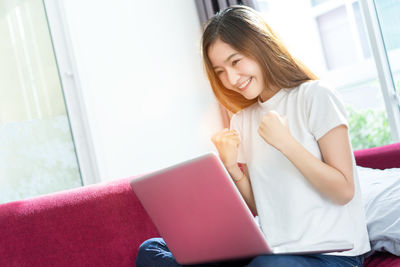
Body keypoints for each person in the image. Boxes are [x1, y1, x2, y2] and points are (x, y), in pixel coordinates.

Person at [136, 5, 371, 267]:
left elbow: (343, 191)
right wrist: (231, 167)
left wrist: (287, 144)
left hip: (333, 254)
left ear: (261, 46)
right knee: (151, 251)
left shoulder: (315, 96)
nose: (232, 78)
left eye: (235, 62)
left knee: (263, 265)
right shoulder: (242, 119)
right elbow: (260, 208)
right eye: (220, 71)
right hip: (276, 250)